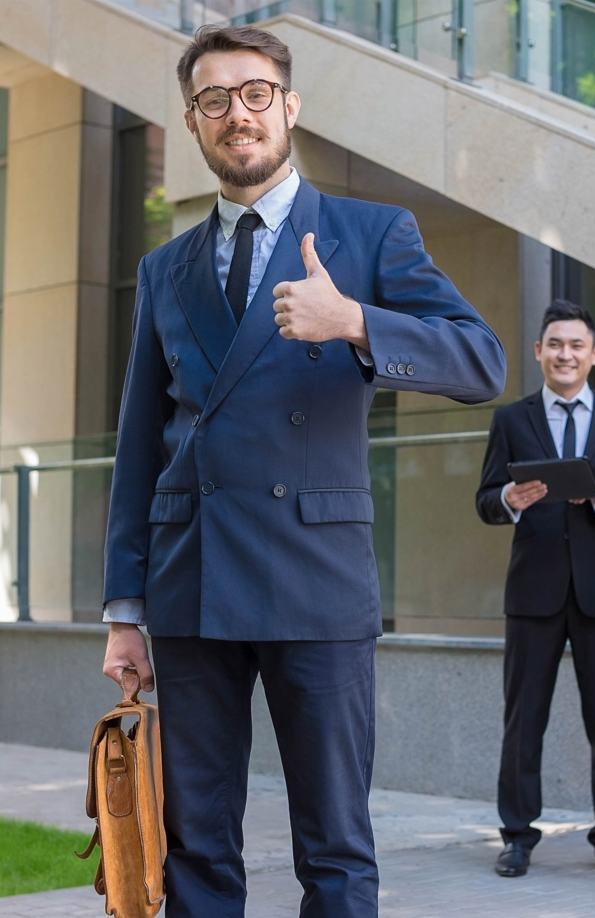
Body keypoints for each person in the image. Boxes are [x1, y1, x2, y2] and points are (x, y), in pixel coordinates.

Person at [100, 25, 506, 918]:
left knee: (334, 843)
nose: (236, 115)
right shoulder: (163, 270)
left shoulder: (369, 233)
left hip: (317, 581)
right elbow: (139, 447)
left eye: (254, 95)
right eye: (214, 101)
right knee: (197, 842)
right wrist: (124, 612)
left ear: (289, 107)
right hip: (190, 582)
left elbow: (483, 364)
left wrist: (356, 321)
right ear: (194, 122)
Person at [476, 300, 595, 880]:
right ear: (538, 352)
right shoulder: (511, 420)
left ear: (594, 354)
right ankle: (516, 838)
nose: (565, 354)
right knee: (523, 721)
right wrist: (511, 499)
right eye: (555, 344)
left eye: (576, 345)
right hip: (533, 594)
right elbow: (485, 501)